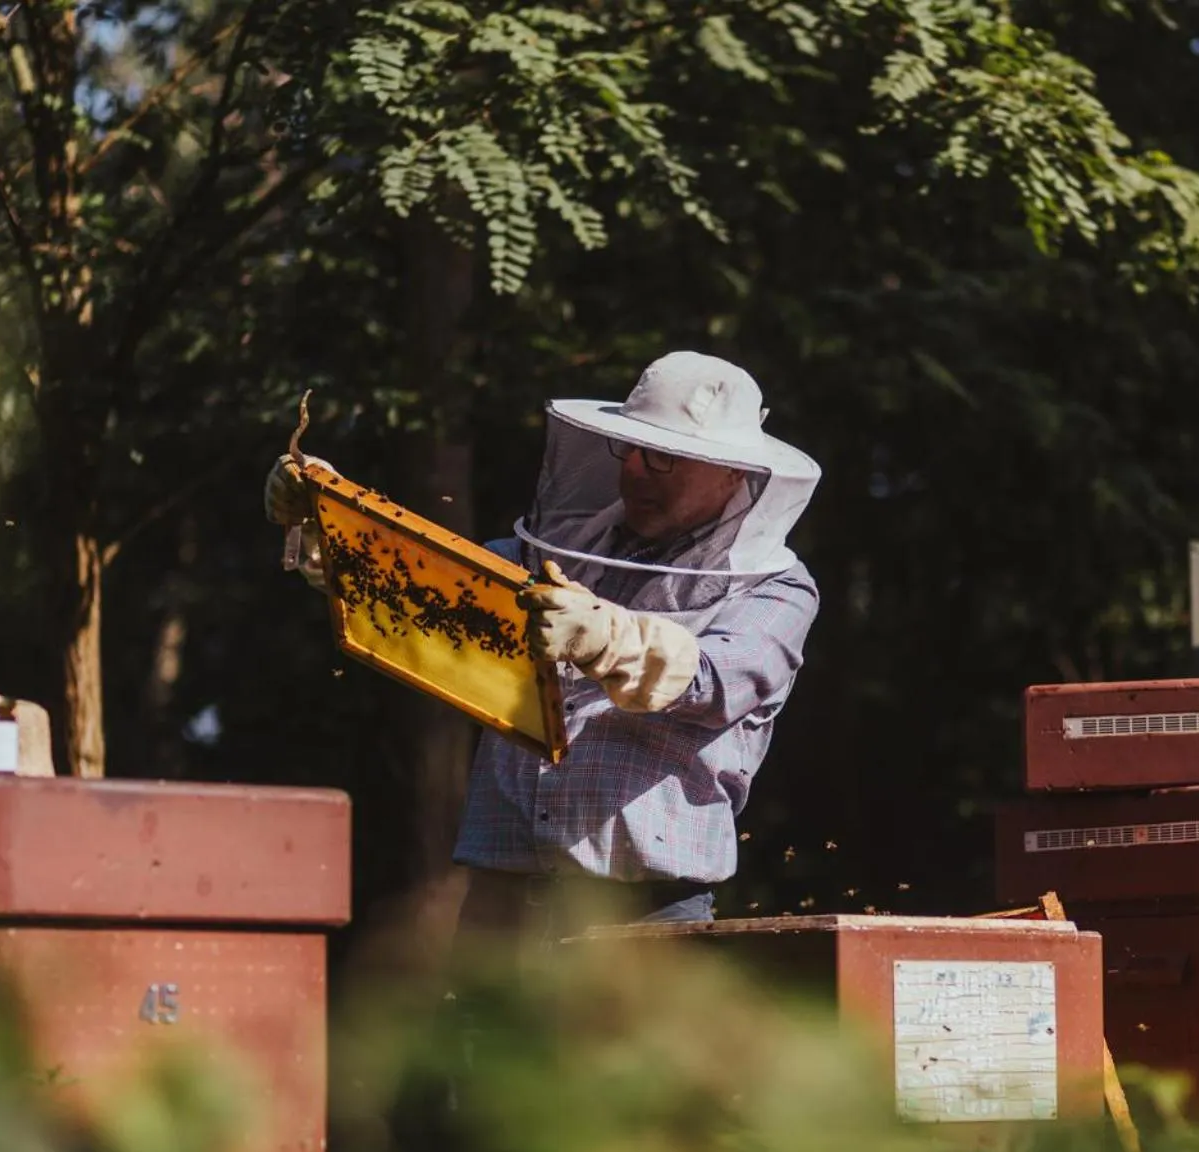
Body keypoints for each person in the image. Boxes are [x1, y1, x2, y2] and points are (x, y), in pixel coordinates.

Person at [264, 351, 821, 948]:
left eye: (663, 457)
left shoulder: (775, 588)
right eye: (628, 448)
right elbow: (427, 593)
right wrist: (331, 521)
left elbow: (716, 683)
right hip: (499, 904)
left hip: (642, 909)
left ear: (732, 472)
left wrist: (607, 637)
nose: (635, 470)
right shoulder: (552, 551)